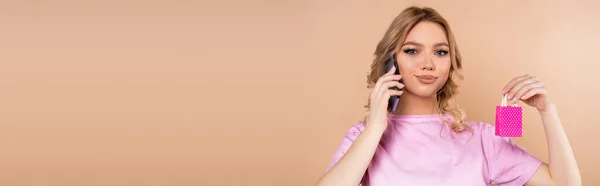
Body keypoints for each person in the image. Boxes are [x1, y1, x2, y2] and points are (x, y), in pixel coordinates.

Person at [315, 6, 581, 186]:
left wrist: (548, 113)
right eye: (411, 51)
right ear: (390, 61)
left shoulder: (482, 139)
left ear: (451, 63)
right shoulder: (363, 136)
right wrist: (375, 128)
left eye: (440, 52)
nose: (428, 63)